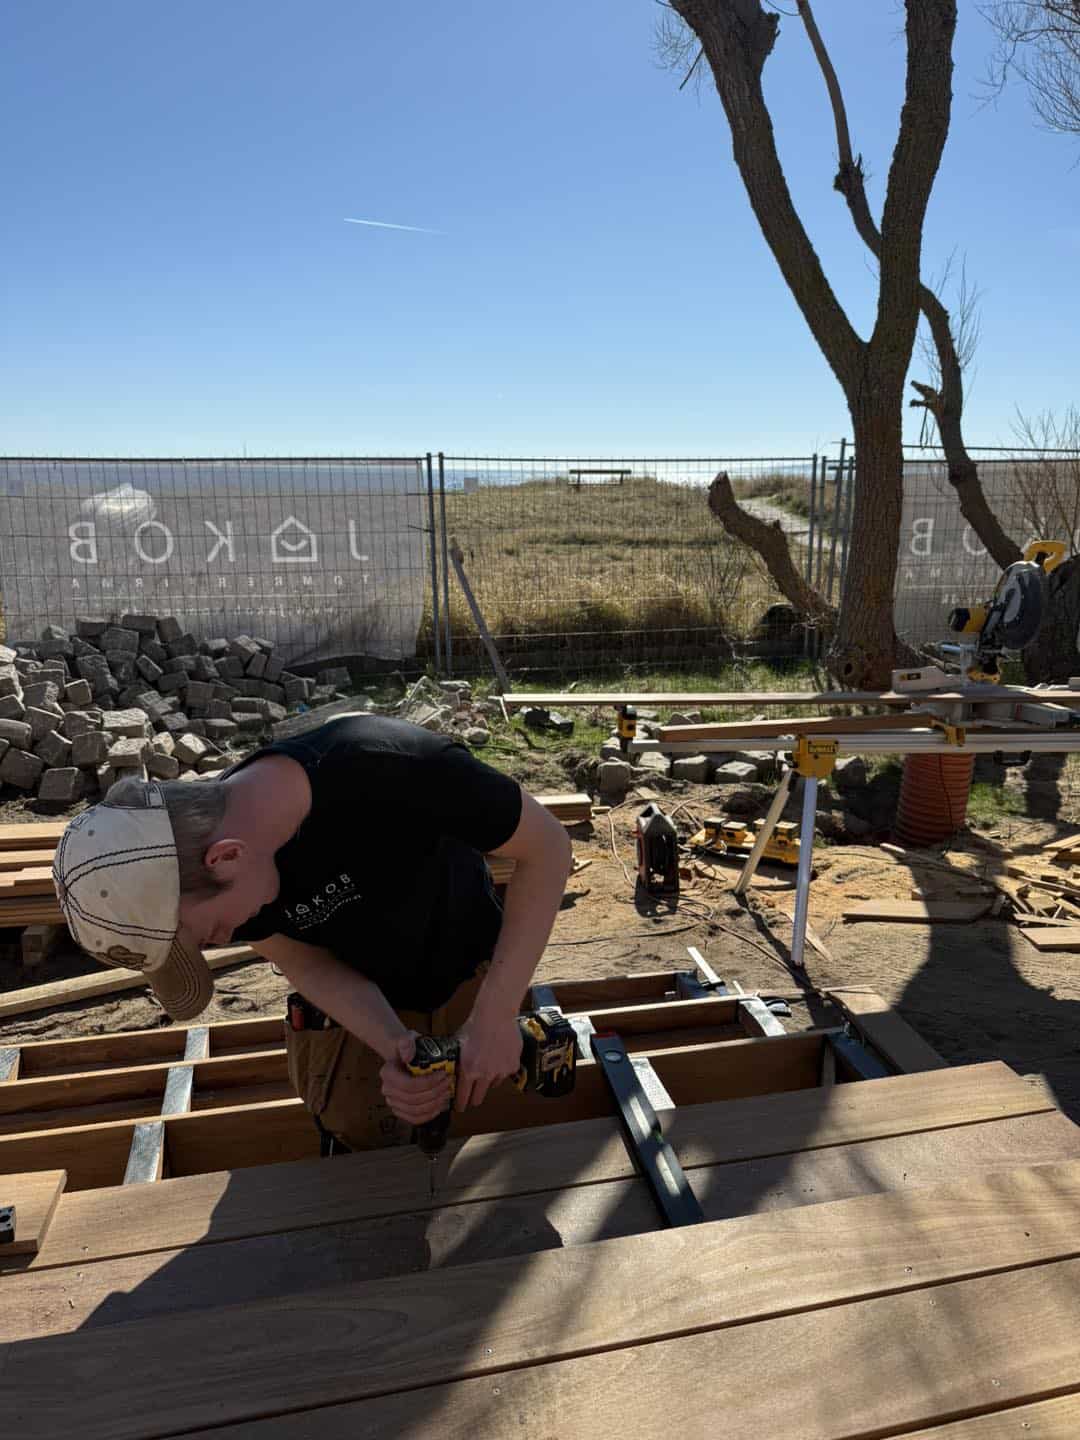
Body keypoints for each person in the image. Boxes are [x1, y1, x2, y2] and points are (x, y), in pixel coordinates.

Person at [52, 711, 572, 1153]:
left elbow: (548, 847)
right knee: (358, 1139)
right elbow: (306, 964)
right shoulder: (229, 869)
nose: (218, 942)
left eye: (206, 934)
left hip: (472, 967)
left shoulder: (393, 767)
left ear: (226, 857)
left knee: (509, 1141)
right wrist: (398, 1046)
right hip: (364, 996)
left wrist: (495, 1016)